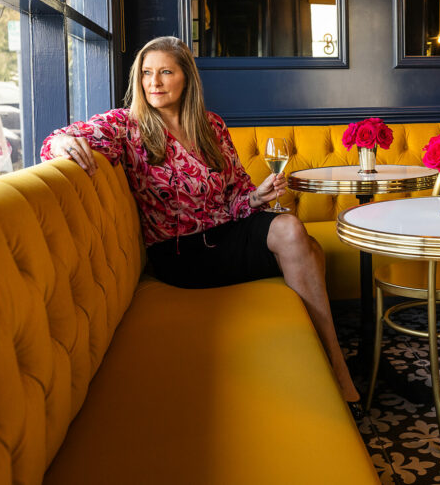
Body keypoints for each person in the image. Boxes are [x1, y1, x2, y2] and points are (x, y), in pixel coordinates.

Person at [41, 36, 359, 406]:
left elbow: (238, 196)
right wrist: (61, 144)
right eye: (146, 73)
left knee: (307, 245)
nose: (153, 82)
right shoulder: (128, 126)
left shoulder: (212, 127)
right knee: (295, 235)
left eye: (165, 72)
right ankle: (335, 368)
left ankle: (320, 363)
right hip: (182, 254)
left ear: (186, 78)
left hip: (224, 234)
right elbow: (61, 139)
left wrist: (258, 196)